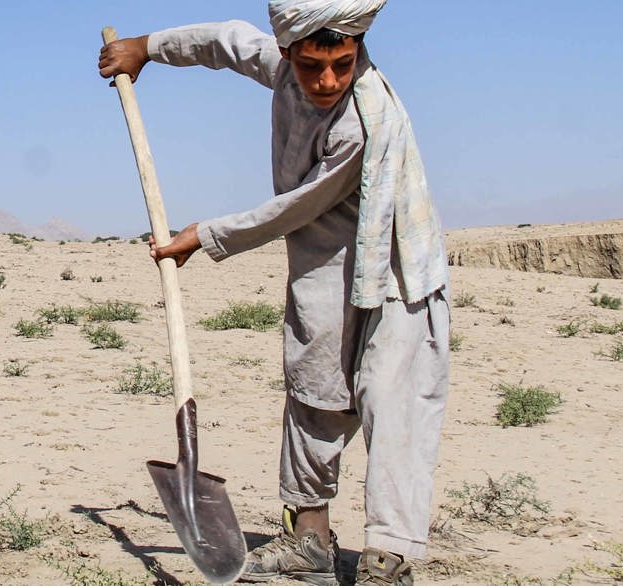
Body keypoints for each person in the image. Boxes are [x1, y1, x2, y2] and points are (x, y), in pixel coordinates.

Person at [99, 1, 451, 583]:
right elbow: (225, 40)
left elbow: (297, 205)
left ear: (358, 50)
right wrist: (147, 48)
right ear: (288, 53)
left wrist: (206, 235)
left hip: (395, 274)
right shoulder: (283, 66)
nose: (328, 81)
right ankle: (307, 543)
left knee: (393, 409)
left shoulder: (367, 121)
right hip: (324, 266)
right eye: (312, 66)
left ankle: (387, 559)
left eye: (343, 64)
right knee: (312, 395)